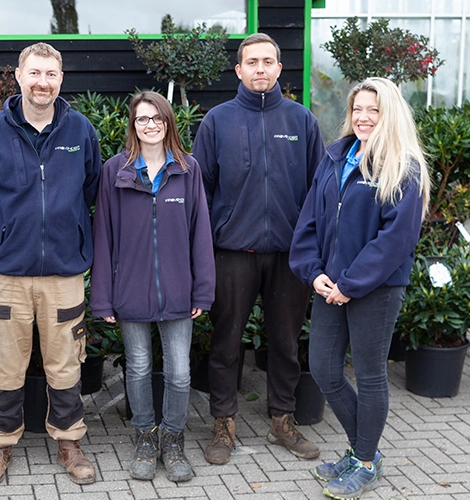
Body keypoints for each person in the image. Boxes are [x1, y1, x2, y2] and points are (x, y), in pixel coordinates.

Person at [0, 42, 101, 486]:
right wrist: (7, 236)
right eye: (35, 73)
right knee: (4, 366)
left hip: (64, 273)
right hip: (6, 274)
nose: (43, 82)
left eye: (52, 74)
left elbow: (91, 191)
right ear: (19, 76)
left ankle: (69, 441)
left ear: (61, 79)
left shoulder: (81, 131)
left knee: (66, 364)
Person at [289, 77, 430, 499]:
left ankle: (364, 460)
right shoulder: (337, 157)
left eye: (374, 110)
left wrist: (351, 284)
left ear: (390, 115)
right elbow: (310, 220)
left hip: (376, 288)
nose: (363, 117)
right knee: (326, 369)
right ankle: (363, 449)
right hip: (329, 284)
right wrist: (312, 272)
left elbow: (395, 240)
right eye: (357, 110)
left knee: (370, 376)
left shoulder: (404, 167)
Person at [191, 32, 325, 465]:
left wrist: (312, 247)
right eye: (252, 62)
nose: (261, 69)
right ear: (239, 69)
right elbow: (200, 191)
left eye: (268, 62)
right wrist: (209, 242)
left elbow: (317, 191)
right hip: (232, 254)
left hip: (290, 256)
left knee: (286, 343)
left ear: (280, 69)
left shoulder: (302, 121)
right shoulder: (217, 121)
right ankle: (223, 424)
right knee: (226, 344)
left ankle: (283, 421)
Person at [90, 91, 215, 482]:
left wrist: (202, 290)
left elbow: (201, 234)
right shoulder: (115, 171)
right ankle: (146, 436)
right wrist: (103, 296)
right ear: (133, 125)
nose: (150, 125)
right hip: (129, 290)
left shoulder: (187, 169)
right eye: (142, 119)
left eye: (157, 119)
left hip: (179, 290)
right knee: (139, 368)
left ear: (168, 123)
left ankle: (173, 440)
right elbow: (103, 236)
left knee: (179, 372)